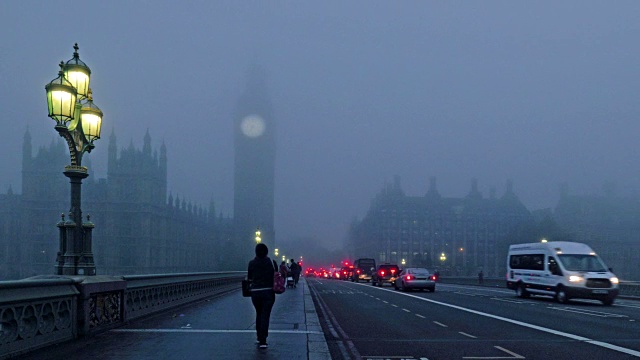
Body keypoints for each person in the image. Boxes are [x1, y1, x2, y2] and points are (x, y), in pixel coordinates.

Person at [247, 243, 276, 349]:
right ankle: (263, 339)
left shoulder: (251, 263)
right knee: (265, 315)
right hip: (267, 291)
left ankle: (259, 336)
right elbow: (273, 275)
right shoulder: (269, 262)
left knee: (258, 313)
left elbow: (249, 278)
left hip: (255, 292)